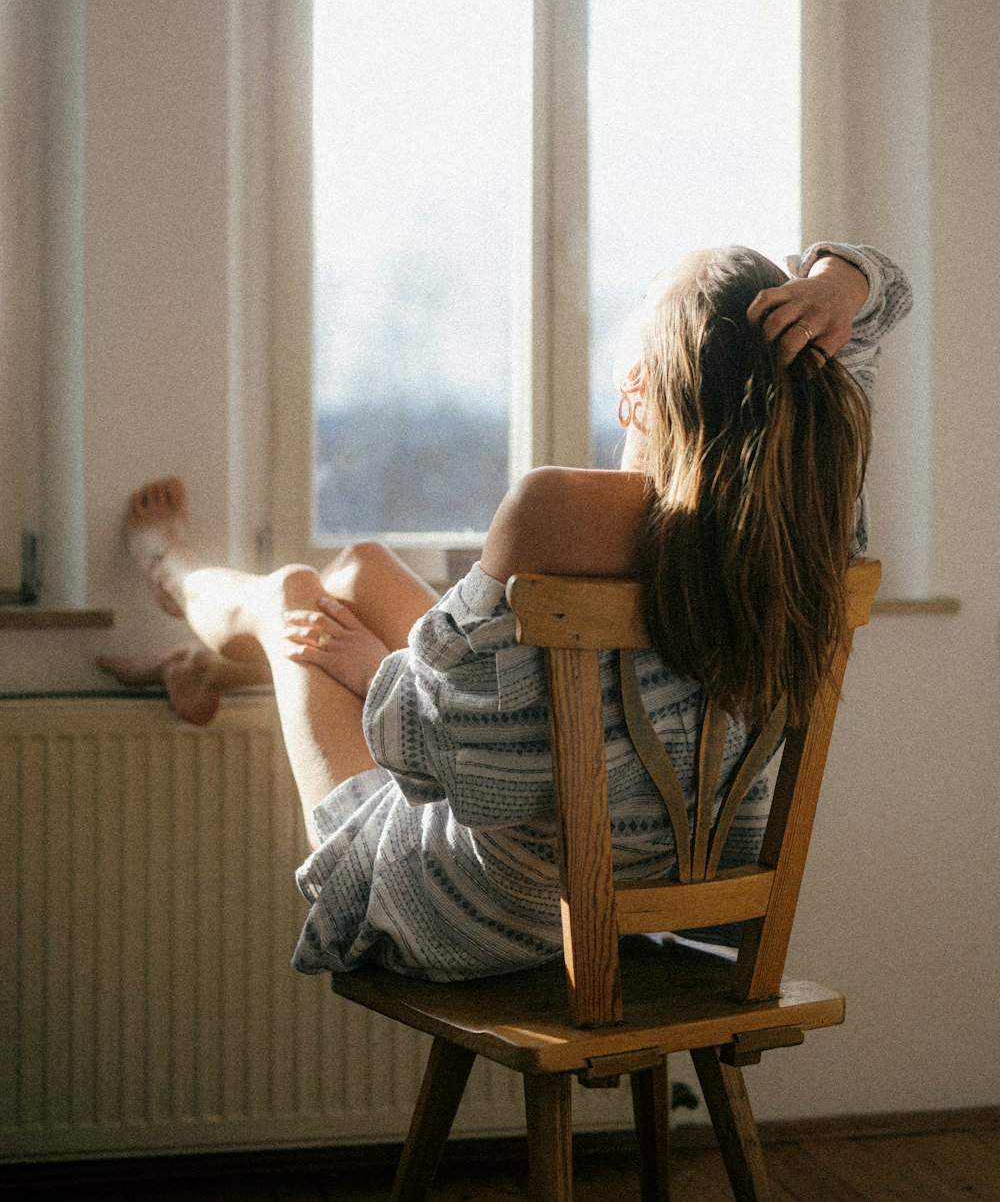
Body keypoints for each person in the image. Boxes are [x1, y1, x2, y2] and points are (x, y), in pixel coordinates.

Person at [100, 241, 911, 981]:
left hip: (475, 910)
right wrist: (841, 278)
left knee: (291, 598)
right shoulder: (812, 520)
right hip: (657, 891)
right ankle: (201, 660)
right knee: (362, 569)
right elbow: (889, 295)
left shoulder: (555, 511)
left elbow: (413, 749)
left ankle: (176, 578)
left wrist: (373, 673)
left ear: (635, 391)